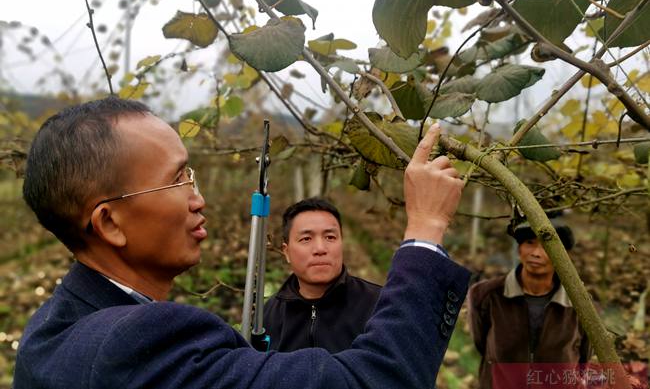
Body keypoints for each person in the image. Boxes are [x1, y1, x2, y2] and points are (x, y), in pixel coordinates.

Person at [14, 96, 469, 389]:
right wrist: (426, 227)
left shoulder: (47, 333)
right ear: (110, 223)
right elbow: (376, 381)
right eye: (177, 179)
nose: (198, 198)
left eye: (191, 175)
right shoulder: (139, 344)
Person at [468, 218, 591, 389]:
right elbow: (482, 345)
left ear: (564, 256)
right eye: (529, 243)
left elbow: (584, 357)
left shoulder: (580, 303)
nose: (536, 253)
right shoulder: (486, 295)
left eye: (546, 247)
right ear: (519, 249)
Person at [263, 197, 381, 352]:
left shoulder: (379, 305)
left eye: (330, 237)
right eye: (306, 239)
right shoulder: (270, 313)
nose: (320, 248)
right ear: (287, 252)